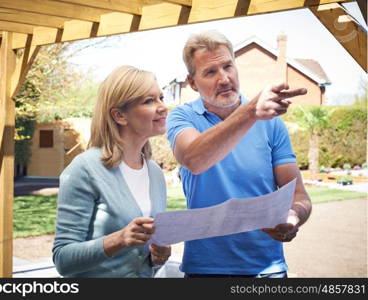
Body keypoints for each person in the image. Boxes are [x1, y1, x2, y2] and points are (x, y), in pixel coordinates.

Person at [166, 30, 312, 278]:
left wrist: (293, 216)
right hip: (205, 270)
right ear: (192, 83)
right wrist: (252, 111)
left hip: (268, 269)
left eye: (227, 67)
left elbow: (299, 195)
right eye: (210, 72)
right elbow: (194, 159)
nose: (224, 79)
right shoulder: (182, 117)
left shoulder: (271, 123)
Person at [53, 65, 171, 277]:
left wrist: (156, 257)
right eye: (149, 101)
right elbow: (63, 259)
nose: (162, 107)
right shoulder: (85, 169)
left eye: (161, 97)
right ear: (119, 116)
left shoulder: (154, 172)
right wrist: (120, 239)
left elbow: (141, 257)